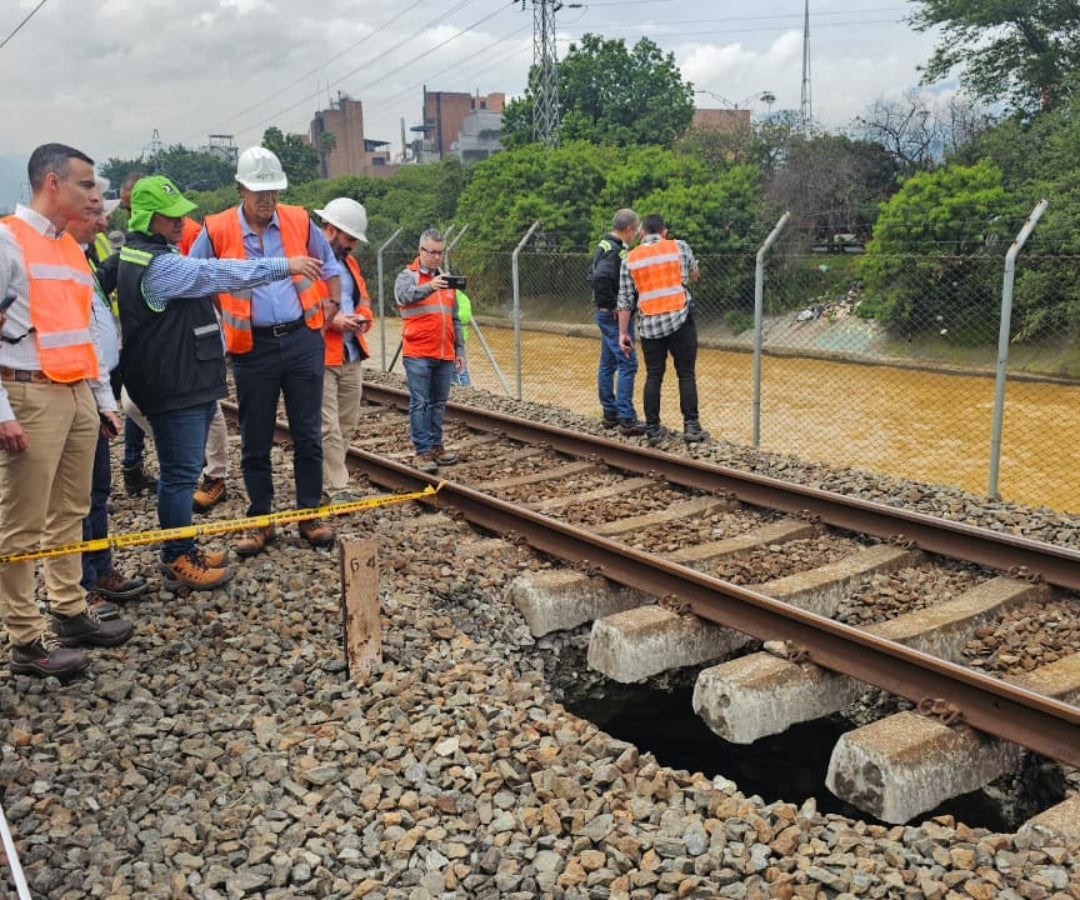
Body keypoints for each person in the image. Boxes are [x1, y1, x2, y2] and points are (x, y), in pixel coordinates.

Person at [118, 175, 325, 588]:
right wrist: (286, 264)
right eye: (170, 216)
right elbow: (218, 274)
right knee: (180, 475)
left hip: (178, 376)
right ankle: (177, 557)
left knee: (184, 469)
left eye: (181, 214)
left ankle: (184, 549)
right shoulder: (160, 265)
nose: (181, 222)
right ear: (147, 218)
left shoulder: (138, 254)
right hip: (173, 382)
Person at [0, 143, 134, 679]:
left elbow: (85, 334)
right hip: (29, 394)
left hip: (77, 394)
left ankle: (70, 609)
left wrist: (101, 399)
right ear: (52, 183)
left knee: (70, 512)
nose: (93, 196)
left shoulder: (71, 250)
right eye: (86, 185)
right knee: (22, 523)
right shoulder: (9, 240)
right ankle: (25, 640)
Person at [189, 147, 341, 556]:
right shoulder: (217, 228)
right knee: (255, 438)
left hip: (301, 340)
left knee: (308, 433)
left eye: (273, 190)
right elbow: (192, 276)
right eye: (259, 191)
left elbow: (331, 267)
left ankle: (310, 512)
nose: (267, 200)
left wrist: (334, 302)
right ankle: (261, 519)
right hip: (251, 347)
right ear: (240, 189)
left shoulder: (297, 219)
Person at [73, 205, 148, 614]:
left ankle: (100, 569)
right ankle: (81, 586)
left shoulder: (86, 252)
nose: (105, 223)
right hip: (74, 388)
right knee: (77, 497)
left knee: (98, 488)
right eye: (95, 213)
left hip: (96, 384)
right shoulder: (49, 256)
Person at [617, 213, 709, 447]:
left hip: (649, 326)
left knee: (654, 376)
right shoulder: (679, 247)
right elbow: (693, 274)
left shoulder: (630, 258)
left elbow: (625, 300)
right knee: (685, 373)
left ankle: (653, 429)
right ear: (664, 232)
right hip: (680, 319)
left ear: (641, 233)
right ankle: (691, 426)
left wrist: (623, 333)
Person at [316, 198, 374, 502]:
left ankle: (329, 477)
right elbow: (300, 305)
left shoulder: (350, 264)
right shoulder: (310, 260)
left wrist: (364, 320)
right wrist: (332, 321)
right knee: (328, 426)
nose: (352, 245)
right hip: (323, 355)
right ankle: (337, 487)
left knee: (347, 423)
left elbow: (364, 301)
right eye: (349, 238)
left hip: (352, 353)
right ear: (331, 229)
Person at [393, 229, 465, 474]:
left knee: (438, 402)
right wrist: (430, 287)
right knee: (420, 402)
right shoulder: (408, 276)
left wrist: (460, 350)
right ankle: (422, 451)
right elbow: (404, 296)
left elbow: (454, 318)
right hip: (418, 352)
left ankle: (436, 446)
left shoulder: (446, 280)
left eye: (440, 253)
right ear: (421, 251)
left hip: (444, 353)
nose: (436, 257)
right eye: (432, 252)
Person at [116, 171, 158, 496]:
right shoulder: (123, 244)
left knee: (136, 399)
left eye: (135, 210)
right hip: (124, 335)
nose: (131, 218)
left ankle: (132, 465)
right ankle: (131, 466)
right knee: (131, 401)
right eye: (127, 210)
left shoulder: (172, 236)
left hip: (145, 334)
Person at [591, 209, 645, 435]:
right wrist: (613, 305)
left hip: (604, 314)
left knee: (607, 363)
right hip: (613, 317)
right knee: (628, 363)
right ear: (629, 229)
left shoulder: (603, 246)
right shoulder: (616, 252)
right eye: (635, 229)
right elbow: (600, 278)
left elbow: (591, 274)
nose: (636, 234)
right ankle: (627, 418)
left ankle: (610, 412)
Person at [451, 288, 473, 387]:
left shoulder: (461, 297)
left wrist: (447, 318)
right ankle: (453, 385)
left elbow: (465, 316)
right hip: (444, 337)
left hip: (458, 338)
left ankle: (466, 387)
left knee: (460, 366)